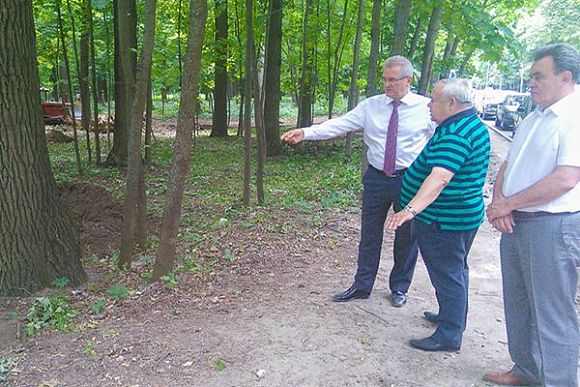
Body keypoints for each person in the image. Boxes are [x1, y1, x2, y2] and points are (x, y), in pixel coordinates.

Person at [281, 56, 434, 307]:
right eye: (384, 79)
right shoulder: (370, 106)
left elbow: (440, 140)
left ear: (408, 80)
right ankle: (362, 286)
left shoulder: (425, 108)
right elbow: (340, 124)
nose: (387, 84)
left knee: (407, 236)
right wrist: (306, 132)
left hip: (410, 178)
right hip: (376, 177)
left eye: (393, 80)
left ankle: (399, 287)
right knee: (369, 234)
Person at [484, 44, 580, 386]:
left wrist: (509, 204)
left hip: (553, 226)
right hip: (518, 222)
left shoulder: (574, 117)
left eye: (539, 76)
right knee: (519, 302)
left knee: (553, 313)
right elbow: (511, 162)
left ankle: (559, 381)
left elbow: (566, 178)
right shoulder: (536, 115)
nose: (531, 84)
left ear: (565, 77)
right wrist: (499, 201)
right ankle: (525, 370)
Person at [386, 78, 490, 351]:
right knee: (455, 271)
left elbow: (440, 177)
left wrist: (409, 210)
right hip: (459, 216)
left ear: (452, 103)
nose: (430, 105)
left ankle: (449, 334)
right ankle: (451, 318)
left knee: (448, 274)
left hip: (446, 220)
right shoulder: (467, 124)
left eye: (434, 100)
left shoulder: (457, 133)